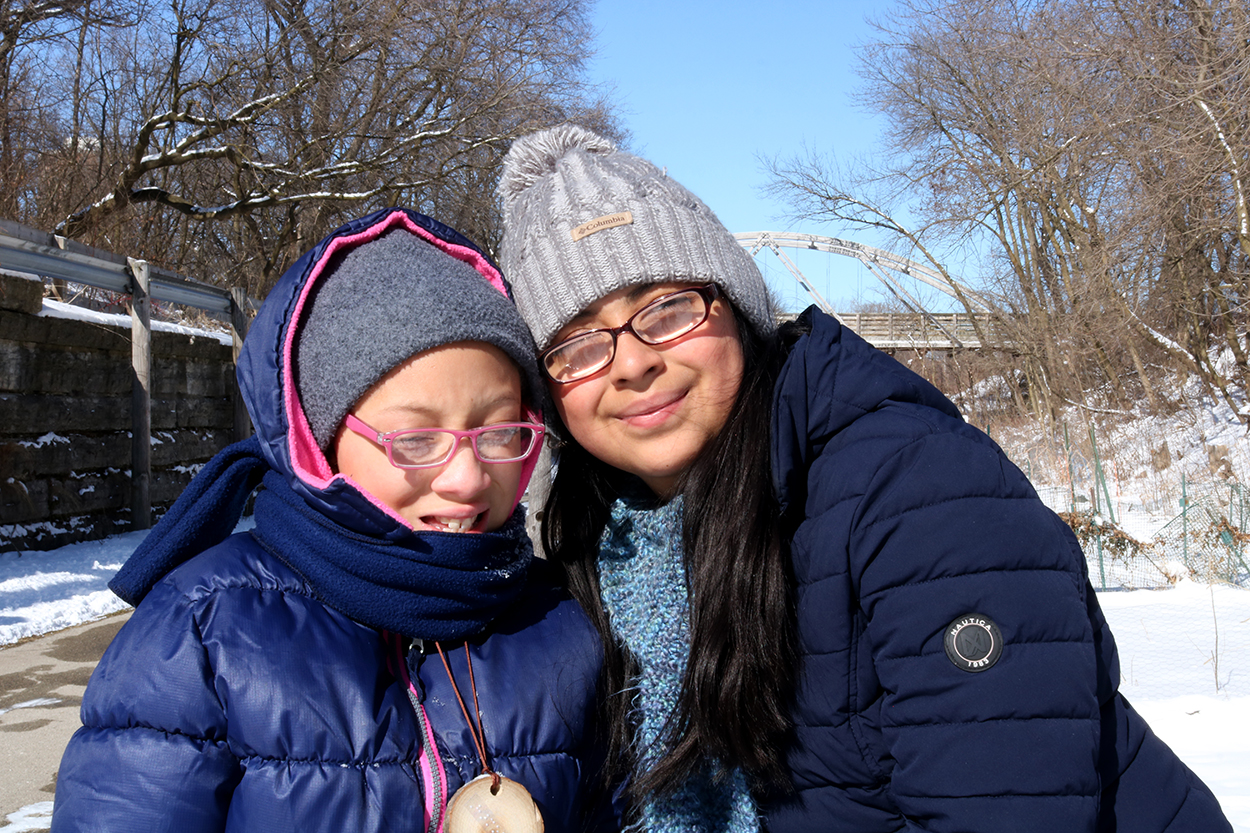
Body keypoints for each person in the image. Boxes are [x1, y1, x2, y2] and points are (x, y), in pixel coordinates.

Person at [494, 125, 1233, 833]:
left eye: (668, 307)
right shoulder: (595, 548)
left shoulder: (915, 492)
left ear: (739, 312)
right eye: (578, 343)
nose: (631, 361)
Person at [52, 207, 617, 833]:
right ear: (319, 445)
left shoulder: (562, 624)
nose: (468, 477)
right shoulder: (204, 624)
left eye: (498, 432)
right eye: (416, 439)